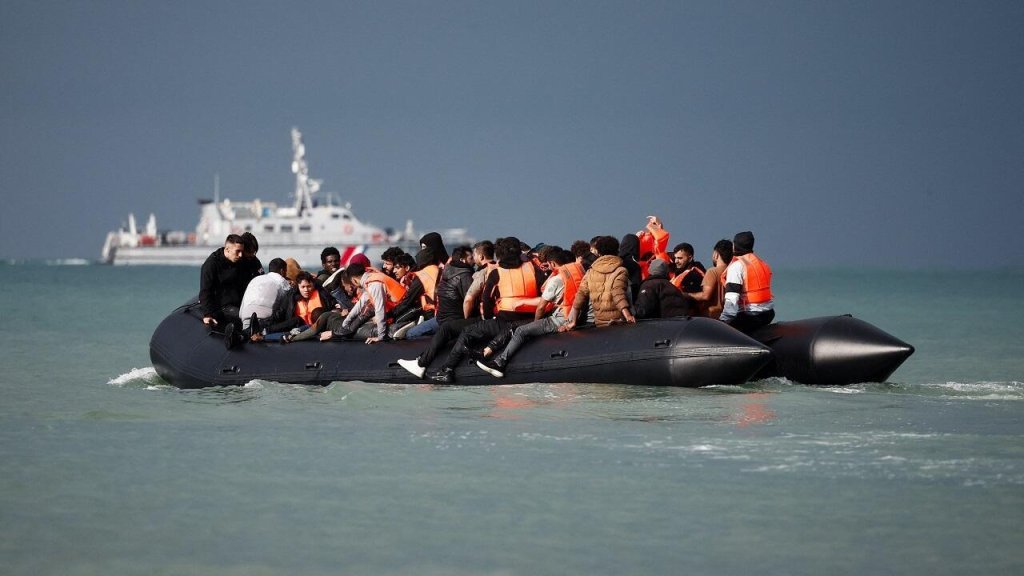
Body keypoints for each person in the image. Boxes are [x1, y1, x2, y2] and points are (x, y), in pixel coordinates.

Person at [425, 236, 545, 383]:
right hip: (528, 320)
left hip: (503, 321)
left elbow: (487, 300)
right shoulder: (534, 269)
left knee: (467, 331)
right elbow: (544, 296)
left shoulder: (497, 273)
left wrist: (488, 318)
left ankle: (446, 370)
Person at [476, 248, 584, 378]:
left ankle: (499, 362)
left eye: (549, 264)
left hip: (559, 320)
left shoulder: (555, 280)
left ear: (553, 264)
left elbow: (541, 307)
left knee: (521, 330)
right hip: (576, 317)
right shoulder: (579, 274)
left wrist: (536, 322)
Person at [560, 235, 635, 331]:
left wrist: (573, 321)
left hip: (599, 322)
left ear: (598, 253)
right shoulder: (621, 270)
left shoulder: (590, 271)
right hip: (619, 320)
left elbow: (580, 296)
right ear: (617, 251)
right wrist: (628, 316)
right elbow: (618, 292)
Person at [321, 263, 406, 344]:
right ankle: (343, 330)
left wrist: (381, 337)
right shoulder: (370, 279)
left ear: (353, 279)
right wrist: (346, 321)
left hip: (400, 309)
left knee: (368, 308)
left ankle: (340, 333)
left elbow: (380, 310)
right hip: (395, 307)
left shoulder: (374, 284)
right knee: (365, 308)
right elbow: (360, 304)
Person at [404, 245, 474, 340]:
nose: (474, 261)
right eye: (471, 258)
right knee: (411, 333)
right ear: (463, 260)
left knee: (411, 334)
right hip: (443, 318)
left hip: (448, 319)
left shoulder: (449, 273)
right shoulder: (463, 275)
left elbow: (469, 301)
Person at [720, 231, 774, 333]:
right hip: (768, 313)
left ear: (735, 246)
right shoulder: (762, 264)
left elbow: (732, 296)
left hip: (749, 316)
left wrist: (724, 321)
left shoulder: (737, 266)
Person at [198, 234, 250, 330]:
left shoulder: (240, 261)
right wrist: (207, 314)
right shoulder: (211, 265)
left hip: (238, 302)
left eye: (242, 251)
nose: (240, 255)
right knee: (245, 319)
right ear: (227, 249)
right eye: (237, 251)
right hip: (221, 306)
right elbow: (205, 291)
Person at [238, 257, 292, 338]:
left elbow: (242, 307)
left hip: (245, 318)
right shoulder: (282, 281)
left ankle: (241, 334)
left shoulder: (255, 279)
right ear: (282, 271)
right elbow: (286, 306)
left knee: (247, 333)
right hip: (265, 322)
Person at [692, 239, 732, 319]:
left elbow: (705, 296)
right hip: (728, 317)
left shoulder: (712, 271)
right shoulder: (733, 272)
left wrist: (686, 295)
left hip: (711, 317)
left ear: (716, 254)